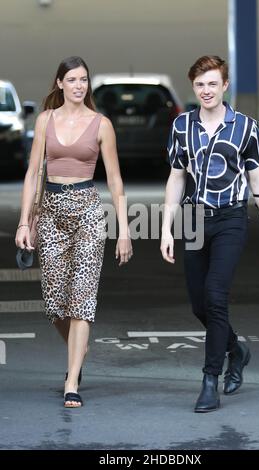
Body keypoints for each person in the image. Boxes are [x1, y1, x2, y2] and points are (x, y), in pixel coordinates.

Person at [161, 55, 259, 412]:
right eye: (200, 84)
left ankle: (210, 379)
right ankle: (237, 350)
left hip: (231, 217)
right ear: (193, 86)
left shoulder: (244, 126)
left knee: (215, 295)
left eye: (212, 83)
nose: (206, 90)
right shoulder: (182, 126)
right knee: (199, 303)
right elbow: (176, 177)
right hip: (195, 219)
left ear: (224, 85)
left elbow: (257, 178)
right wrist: (166, 228)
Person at [15, 56, 132, 408]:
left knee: (82, 300)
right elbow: (34, 172)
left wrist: (124, 230)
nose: (80, 85)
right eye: (73, 79)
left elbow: (115, 179)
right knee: (55, 303)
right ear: (60, 83)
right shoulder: (45, 120)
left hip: (88, 213)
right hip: (50, 212)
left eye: (84, 79)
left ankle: (72, 380)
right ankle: (78, 347)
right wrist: (25, 221)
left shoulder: (101, 124)